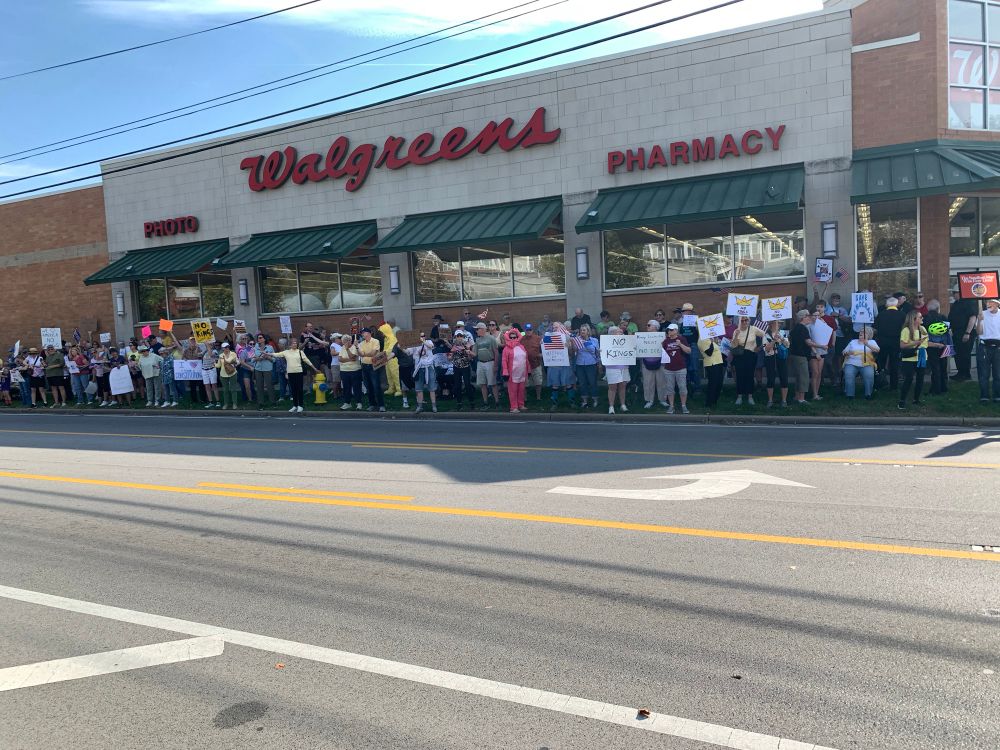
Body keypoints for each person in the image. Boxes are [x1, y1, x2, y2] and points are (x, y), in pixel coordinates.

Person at [274, 338, 318, 413]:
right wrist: (266, 353)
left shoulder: (300, 352)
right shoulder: (286, 352)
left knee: (299, 389)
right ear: (290, 345)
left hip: (299, 372)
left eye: (295, 343)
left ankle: (300, 405)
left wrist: (314, 368)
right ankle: (295, 405)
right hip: (291, 373)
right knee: (293, 390)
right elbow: (276, 354)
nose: (294, 344)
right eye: (293, 343)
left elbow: (307, 360)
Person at [898, 309, 928, 410]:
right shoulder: (906, 330)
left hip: (922, 356)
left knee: (920, 379)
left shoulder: (923, 329)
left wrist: (937, 345)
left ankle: (916, 399)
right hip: (910, 358)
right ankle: (902, 400)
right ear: (914, 319)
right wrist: (916, 343)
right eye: (920, 317)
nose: (922, 318)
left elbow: (925, 343)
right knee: (909, 379)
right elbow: (902, 345)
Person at [730, 317, 764, 405]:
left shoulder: (753, 329)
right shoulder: (736, 330)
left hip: (751, 355)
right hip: (739, 355)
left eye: (746, 320)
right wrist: (736, 335)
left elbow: (765, 335)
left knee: (750, 376)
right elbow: (733, 346)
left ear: (749, 321)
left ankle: (750, 396)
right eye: (742, 320)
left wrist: (760, 347)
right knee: (740, 376)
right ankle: (739, 396)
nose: (744, 322)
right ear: (739, 321)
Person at [875, 296, 906, 389]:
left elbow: (876, 327)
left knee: (881, 363)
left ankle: (880, 383)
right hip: (896, 342)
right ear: (896, 304)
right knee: (894, 365)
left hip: (882, 342)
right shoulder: (902, 315)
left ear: (886, 305)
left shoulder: (881, 314)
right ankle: (894, 385)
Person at [841, 325, 879, 400]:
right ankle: (850, 395)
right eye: (860, 332)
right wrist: (847, 353)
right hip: (851, 362)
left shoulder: (872, 342)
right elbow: (844, 352)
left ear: (869, 335)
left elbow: (877, 351)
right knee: (849, 374)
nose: (861, 333)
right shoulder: (853, 341)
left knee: (869, 375)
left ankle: (868, 394)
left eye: (863, 332)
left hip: (867, 364)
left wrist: (867, 344)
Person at [661, 323, 691, 414]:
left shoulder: (682, 339)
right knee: (670, 388)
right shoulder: (666, 341)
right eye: (669, 330)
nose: (670, 331)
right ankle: (671, 406)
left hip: (681, 368)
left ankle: (683, 406)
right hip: (668, 369)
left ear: (676, 330)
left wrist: (680, 344)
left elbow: (689, 351)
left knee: (682, 387)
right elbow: (663, 354)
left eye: (671, 330)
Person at [949, 291, 979, 381]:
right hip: (956, 332)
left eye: (954, 293)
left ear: (960, 293)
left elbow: (973, 317)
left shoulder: (969, 302)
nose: (953, 295)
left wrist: (967, 333)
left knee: (964, 354)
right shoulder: (956, 304)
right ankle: (960, 373)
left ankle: (965, 374)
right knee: (958, 353)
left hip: (965, 332)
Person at [923, 300, 950, 396]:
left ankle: (935, 389)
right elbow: (947, 332)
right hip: (943, 345)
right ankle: (944, 387)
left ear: (928, 309)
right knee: (943, 367)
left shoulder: (925, 319)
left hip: (931, 346)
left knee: (935, 368)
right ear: (938, 308)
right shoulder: (943, 318)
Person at [500, 328, 530, 413]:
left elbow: (526, 359)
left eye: (515, 337)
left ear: (517, 337)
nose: (513, 339)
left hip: (522, 373)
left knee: (521, 390)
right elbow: (504, 361)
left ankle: (521, 405)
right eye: (511, 337)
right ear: (509, 337)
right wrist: (505, 372)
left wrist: (529, 369)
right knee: (513, 391)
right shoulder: (506, 348)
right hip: (512, 374)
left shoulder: (521, 347)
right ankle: (513, 407)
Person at [788, 310, 815, 405]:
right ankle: (801, 399)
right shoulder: (803, 329)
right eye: (808, 316)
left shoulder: (795, 328)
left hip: (794, 355)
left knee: (798, 377)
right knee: (804, 377)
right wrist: (822, 346)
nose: (810, 318)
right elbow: (808, 342)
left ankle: (796, 396)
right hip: (801, 356)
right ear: (803, 317)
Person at [762, 320, 790, 408]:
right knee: (770, 378)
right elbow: (766, 349)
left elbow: (787, 345)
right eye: (776, 323)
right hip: (770, 358)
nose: (778, 325)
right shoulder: (766, 335)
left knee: (784, 377)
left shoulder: (783, 333)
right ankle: (770, 400)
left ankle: (784, 400)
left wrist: (781, 338)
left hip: (781, 358)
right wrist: (774, 340)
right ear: (771, 324)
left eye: (779, 323)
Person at [977, 298, 1000, 403]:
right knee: (983, 374)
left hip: (998, 347)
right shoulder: (982, 314)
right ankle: (984, 396)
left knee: (998, 374)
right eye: (987, 302)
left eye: (991, 302)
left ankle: (997, 396)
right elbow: (979, 332)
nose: (988, 304)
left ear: (997, 304)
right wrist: (980, 321)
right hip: (984, 346)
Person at [473, 321, 500, 410]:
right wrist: (468, 351)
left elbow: (496, 352)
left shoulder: (491, 338)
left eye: (477, 329)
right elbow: (475, 354)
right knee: (482, 384)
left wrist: (496, 365)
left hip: (490, 362)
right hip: (480, 363)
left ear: (482, 329)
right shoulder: (477, 340)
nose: (476, 331)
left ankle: (497, 402)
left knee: (493, 384)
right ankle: (485, 402)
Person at [358, 327, 385, 412]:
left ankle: (381, 405)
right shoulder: (361, 343)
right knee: (368, 386)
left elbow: (374, 353)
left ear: (369, 333)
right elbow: (361, 354)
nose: (362, 334)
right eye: (362, 333)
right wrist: (357, 348)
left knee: (376, 386)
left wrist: (364, 354)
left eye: (363, 332)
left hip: (373, 366)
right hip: (364, 365)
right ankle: (372, 404)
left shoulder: (375, 341)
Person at [641, 320, 667, 409]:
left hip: (660, 362)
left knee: (662, 382)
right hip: (646, 362)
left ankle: (663, 400)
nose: (647, 326)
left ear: (656, 327)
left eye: (649, 325)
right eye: (647, 325)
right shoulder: (642, 337)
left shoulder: (662, 337)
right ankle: (649, 400)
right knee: (648, 382)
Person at [573, 324, 600, 409]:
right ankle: (584, 401)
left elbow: (596, 352)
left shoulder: (594, 340)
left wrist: (599, 364)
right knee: (582, 383)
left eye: (584, 330)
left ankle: (595, 400)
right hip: (580, 364)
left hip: (591, 364)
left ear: (588, 331)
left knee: (592, 383)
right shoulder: (577, 340)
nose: (582, 332)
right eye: (581, 330)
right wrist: (575, 343)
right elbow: (574, 351)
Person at [678, 302, 700, 395]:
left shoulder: (697, 320)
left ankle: (697, 388)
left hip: (693, 344)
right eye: (684, 311)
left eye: (688, 311)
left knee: (695, 367)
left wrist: (697, 325)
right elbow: (678, 334)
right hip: (682, 346)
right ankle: (686, 388)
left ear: (691, 312)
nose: (685, 313)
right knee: (684, 367)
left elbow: (701, 332)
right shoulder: (679, 322)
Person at [338, 335, 364, 410]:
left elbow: (353, 357)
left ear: (350, 340)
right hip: (344, 370)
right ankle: (347, 403)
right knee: (346, 388)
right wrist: (349, 359)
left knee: (356, 387)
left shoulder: (354, 347)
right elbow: (340, 359)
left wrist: (347, 350)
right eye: (343, 341)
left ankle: (359, 403)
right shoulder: (342, 347)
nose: (344, 343)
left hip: (355, 370)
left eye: (346, 341)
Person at [250, 333, 275, 410]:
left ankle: (273, 402)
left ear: (264, 339)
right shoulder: (254, 348)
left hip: (267, 369)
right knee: (259, 386)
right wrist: (257, 359)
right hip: (258, 369)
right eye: (258, 338)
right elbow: (251, 360)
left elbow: (274, 360)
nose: (259, 339)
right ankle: (261, 403)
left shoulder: (270, 348)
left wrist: (267, 357)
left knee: (269, 385)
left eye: (261, 338)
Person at [699, 334, 724, 409]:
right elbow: (709, 352)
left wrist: (715, 341)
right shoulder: (701, 339)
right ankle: (708, 403)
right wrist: (712, 342)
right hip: (711, 363)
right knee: (713, 384)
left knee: (719, 383)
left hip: (719, 362)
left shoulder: (711, 337)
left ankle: (714, 401)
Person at [215, 342, 240, 409]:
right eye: (225, 347)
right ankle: (226, 404)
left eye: (228, 347)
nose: (227, 348)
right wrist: (214, 364)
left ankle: (234, 403)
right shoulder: (221, 355)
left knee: (233, 389)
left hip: (233, 373)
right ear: (223, 348)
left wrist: (235, 363)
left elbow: (234, 361)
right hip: (223, 374)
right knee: (225, 390)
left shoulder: (233, 353)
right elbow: (219, 365)